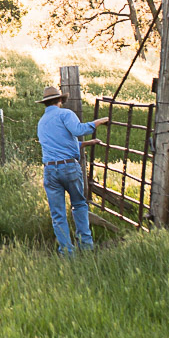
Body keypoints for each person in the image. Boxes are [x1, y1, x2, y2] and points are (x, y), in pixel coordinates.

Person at [36, 86, 108, 256]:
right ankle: (86, 246)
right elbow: (79, 130)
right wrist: (98, 122)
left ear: (45, 103)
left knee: (58, 214)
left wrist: (87, 144)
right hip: (68, 166)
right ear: (60, 100)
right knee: (79, 204)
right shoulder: (65, 114)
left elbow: (58, 144)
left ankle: (67, 252)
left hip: (50, 169)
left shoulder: (42, 122)